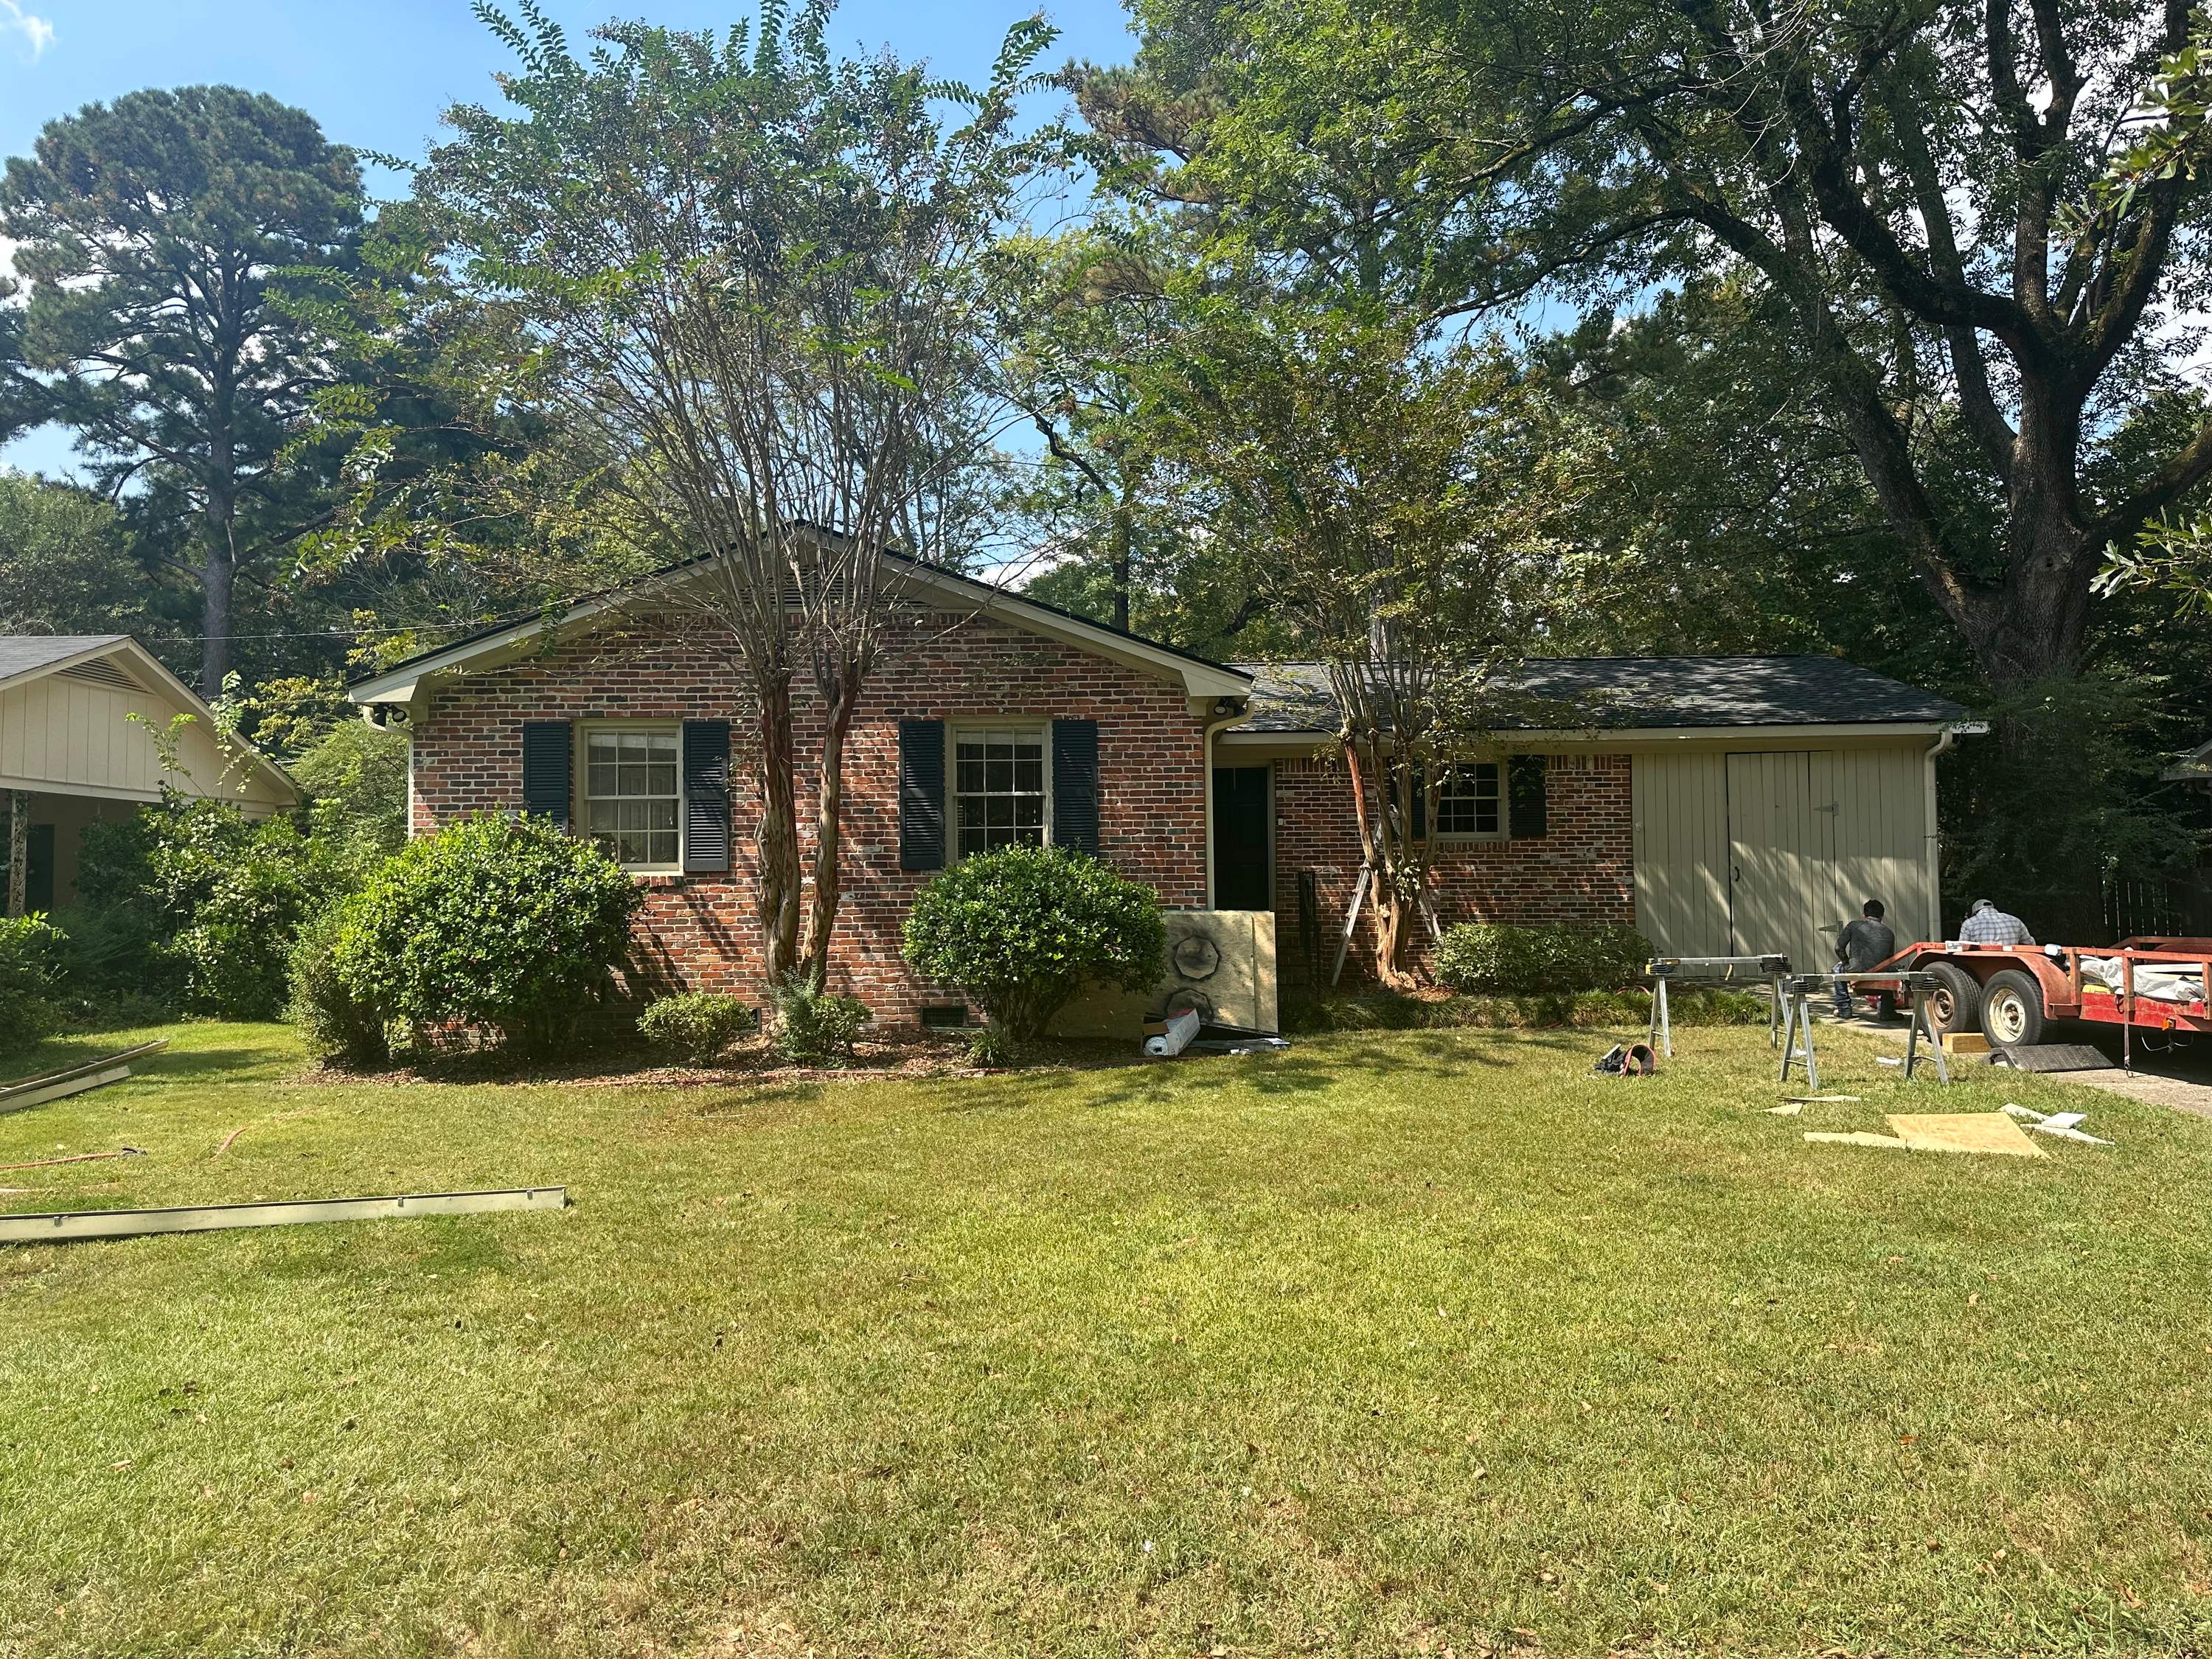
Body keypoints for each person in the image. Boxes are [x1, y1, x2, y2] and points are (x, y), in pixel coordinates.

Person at [1833, 898, 1899, 1020]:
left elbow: (1838, 948)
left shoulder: (1853, 926)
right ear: (1882, 916)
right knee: (1892, 971)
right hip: (1880, 972)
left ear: (1864, 914)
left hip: (1855, 970)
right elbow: (1889, 958)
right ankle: (1886, 1011)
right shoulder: (1889, 933)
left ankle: (1844, 1008)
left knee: (1837, 969)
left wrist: (1846, 963)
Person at [1958, 897, 2036, 947]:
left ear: (1975, 912)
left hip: (1983, 965)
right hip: (2012, 965)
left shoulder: (1969, 923)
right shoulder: (2016, 921)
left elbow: (1963, 948)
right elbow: (2030, 944)